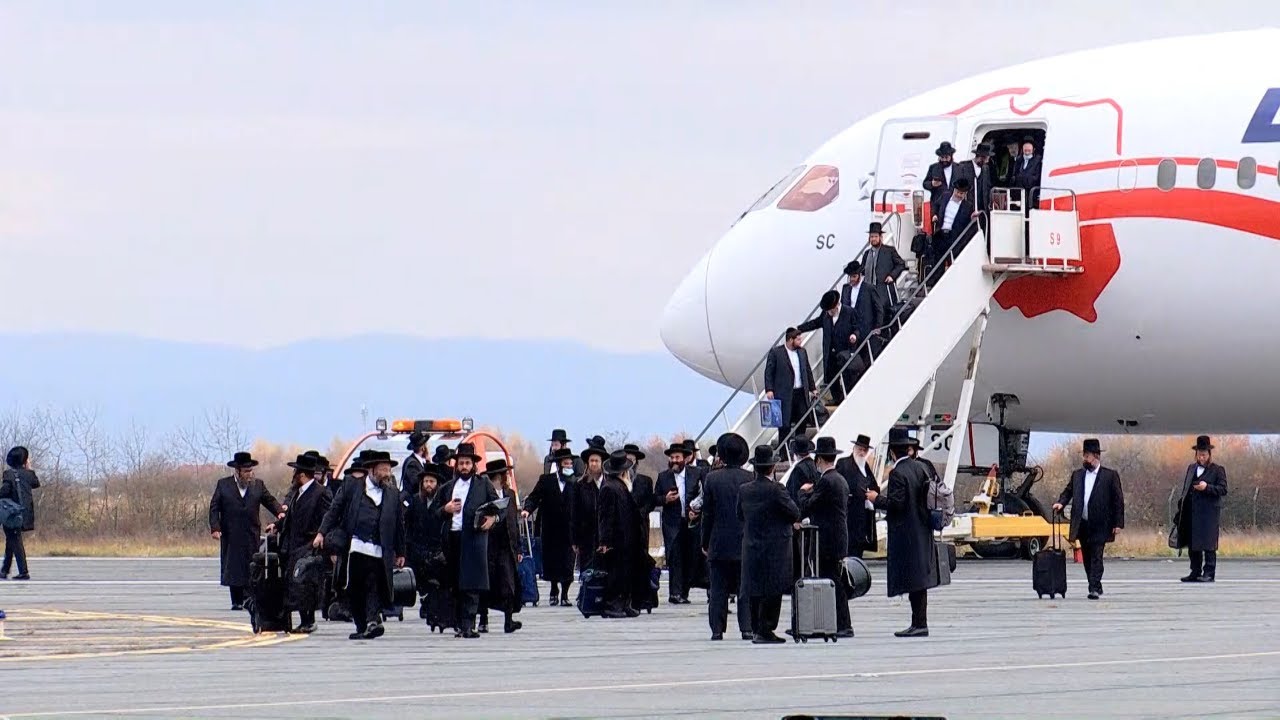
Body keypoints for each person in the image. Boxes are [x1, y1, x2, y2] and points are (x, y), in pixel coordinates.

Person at [315, 451, 406, 639]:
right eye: (383, 470)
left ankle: (373, 621)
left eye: (389, 470)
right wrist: (321, 533)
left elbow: (399, 525)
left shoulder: (393, 494)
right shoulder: (352, 486)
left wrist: (401, 552)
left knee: (373, 584)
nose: (387, 474)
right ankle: (361, 626)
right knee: (354, 588)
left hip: (379, 549)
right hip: (355, 547)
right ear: (371, 470)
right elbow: (334, 510)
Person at [867, 428, 937, 637]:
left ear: (892, 452)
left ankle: (919, 624)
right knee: (920, 580)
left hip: (906, 533)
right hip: (923, 529)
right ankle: (920, 622)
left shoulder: (898, 473)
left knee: (913, 579)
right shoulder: (922, 468)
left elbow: (897, 504)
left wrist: (876, 499)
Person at [428, 442, 498, 638]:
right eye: (461, 463)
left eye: (467, 463)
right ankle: (459, 624)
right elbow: (433, 513)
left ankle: (469, 624)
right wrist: (446, 509)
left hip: (474, 538)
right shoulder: (447, 487)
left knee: (472, 583)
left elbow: (498, 507)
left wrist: (493, 519)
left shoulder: (483, 485)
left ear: (473, 465)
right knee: (456, 583)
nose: (464, 467)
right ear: (456, 465)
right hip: (453, 538)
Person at [738, 446, 800, 644]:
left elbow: (739, 514)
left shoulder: (745, 490)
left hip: (752, 545)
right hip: (775, 547)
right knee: (773, 589)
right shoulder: (777, 489)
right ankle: (766, 629)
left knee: (754, 588)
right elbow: (794, 512)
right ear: (773, 467)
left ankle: (756, 628)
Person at [209, 452, 285, 611]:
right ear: (237, 471)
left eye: (251, 470)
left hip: (251, 532)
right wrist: (215, 528)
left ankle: (249, 598)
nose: (250, 474)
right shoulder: (224, 485)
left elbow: (269, 500)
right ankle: (236, 600)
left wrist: (279, 512)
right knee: (234, 566)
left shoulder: (258, 485)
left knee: (251, 565)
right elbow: (214, 507)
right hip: (231, 533)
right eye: (246, 471)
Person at [1052, 438, 1125, 600]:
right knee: (1087, 557)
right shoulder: (1077, 475)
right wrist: (1060, 503)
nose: (1084, 459)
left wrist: (1118, 523)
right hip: (1083, 523)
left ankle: (1093, 587)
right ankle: (1095, 584)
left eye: (1087, 456)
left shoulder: (1110, 476)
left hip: (1101, 524)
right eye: (1084, 456)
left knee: (1097, 555)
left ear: (1096, 456)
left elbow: (1118, 500)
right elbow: (1068, 492)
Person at [699, 433, 753, 641]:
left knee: (718, 589)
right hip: (744, 542)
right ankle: (746, 627)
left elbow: (707, 514)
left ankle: (717, 629)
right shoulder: (750, 478)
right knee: (744, 588)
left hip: (719, 542)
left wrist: (705, 541)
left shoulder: (712, 479)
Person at [798, 437, 852, 638]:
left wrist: (802, 493)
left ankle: (842, 624)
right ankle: (837, 623)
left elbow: (808, 506)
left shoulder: (826, 481)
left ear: (819, 459)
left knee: (832, 582)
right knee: (834, 580)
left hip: (827, 540)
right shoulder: (840, 479)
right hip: (838, 538)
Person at [275, 454, 332, 634]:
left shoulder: (320, 493)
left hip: (309, 545)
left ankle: (309, 620)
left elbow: (327, 518)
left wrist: (321, 536)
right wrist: (277, 526)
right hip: (293, 545)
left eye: (295, 472)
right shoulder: (297, 493)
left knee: (306, 583)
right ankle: (302, 619)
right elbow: (290, 518)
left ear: (301, 475)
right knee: (295, 584)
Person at [522, 447, 578, 606]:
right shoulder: (546, 481)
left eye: (570, 464)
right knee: (552, 561)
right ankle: (554, 590)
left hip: (569, 529)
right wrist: (527, 510)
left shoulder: (575, 483)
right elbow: (534, 497)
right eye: (566, 464)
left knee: (568, 562)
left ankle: (565, 594)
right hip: (551, 528)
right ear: (559, 465)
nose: (569, 466)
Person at [597, 450, 644, 618]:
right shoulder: (609, 488)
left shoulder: (621, 486)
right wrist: (605, 541)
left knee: (626, 573)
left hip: (627, 538)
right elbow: (605, 517)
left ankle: (625, 603)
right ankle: (612, 605)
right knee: (615, 574)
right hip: (616, 539)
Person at [1176, 436, 1229, 583]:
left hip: (1208, 514)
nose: (1201, 457)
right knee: (1193, 544)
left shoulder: (1217, 470)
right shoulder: (1191, 468)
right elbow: (1186, 489)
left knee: (1209, 544)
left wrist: (1207, 487)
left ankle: (1209, 573)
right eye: (1199, 454)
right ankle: (1195, 571)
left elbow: (1223, 489)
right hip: (1192, 513)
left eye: (1204, 455)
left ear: (1209, 454)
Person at [480, 459, 523, 634]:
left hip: (506, 545)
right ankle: (483, 619)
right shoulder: (483, 494)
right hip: (489, 544)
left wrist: (518, 547)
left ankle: (508, 620)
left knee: (508, 583)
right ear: (498, 476)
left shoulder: (510, 494)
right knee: (486, 583)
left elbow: (514, 522)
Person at [655, 442, 701, 604]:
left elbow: (702, 495)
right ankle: (674, 593)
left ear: (684, 459)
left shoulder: (696, 474)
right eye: (672, 457)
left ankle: (684, 592)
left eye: (677, 457)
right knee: (674, 557)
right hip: (672, 524)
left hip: (691, 522)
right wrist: (665, 499)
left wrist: (696, 511)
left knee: (689, 556)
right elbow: (655, 498)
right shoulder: (663, 477)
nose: (674, 460)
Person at [796, 290, 859, 405]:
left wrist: (854, 335)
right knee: (831, 376)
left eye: (830, 310)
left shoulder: (849, 312)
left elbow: (857, 327)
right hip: (830, 351)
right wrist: (799, 329)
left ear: (836, 306)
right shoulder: (825, 315)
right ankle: (837, 398)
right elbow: (815, 323)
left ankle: (848, 398)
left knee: (847, 376)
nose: (829, 313)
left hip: (844, 351)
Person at [763, 328, 819, 456]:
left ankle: (799, 450)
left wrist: (813, 388)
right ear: (790, 340)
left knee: (802, 420)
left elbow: (807, 371)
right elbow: (769, 372)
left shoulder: (802, 352)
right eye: (798, 339)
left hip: (800, 392)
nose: (801, 341)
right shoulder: (776, 352)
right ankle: (784, 453)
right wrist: (769, 389)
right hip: (784, 394)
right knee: (785, 425)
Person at [405, 463, 448, 616]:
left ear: (437, 484)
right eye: (426, 481)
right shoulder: (416, 501)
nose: (428, 485)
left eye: (432, 481)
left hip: (437, 548)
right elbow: (408, 524)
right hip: (418, 548)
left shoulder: (443, 502)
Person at [836, 434, 880, 558]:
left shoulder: (865, 466)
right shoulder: (843, 463)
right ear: (854, 448)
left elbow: (874, 486)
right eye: (860, 449)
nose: (862, 452)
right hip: (849, 516)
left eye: (864, 450)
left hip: (863, 518)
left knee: (858, 551)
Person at [859, 222, 908, 328]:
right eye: (871, 237)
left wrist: (892, 276)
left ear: (880, 237)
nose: (873, 239)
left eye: (875, 236)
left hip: (884, 290)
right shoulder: (867, 254)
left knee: (884, 316)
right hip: (869, 291)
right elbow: (863, 269)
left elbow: (901, 264)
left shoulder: (889, 251)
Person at [0, 446, 39, 580]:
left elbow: (5, 491)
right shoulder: (29, 475)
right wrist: (29, 468)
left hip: (12, 513)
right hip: (25, 513)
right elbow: (36, 484)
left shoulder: (9, 474)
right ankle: (4, 570)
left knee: (15, 540)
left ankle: (23, 571)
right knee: (11, 539)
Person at [573, 440, 608, 572]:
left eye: (596, 461)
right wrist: (574, 540)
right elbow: (574, 513)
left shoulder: (610, 484)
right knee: (587, 574)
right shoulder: (580, 485)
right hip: (586, 538)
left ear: (601, 463)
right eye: (591, 461)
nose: (593, 464)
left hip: (605, 537)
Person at [930, 177, 977, 276]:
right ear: (954, 190)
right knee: (937, 263)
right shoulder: (945, 196)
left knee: (954, 263)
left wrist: (972, 218)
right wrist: (934, 214)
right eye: (958, 192)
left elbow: (968, 225)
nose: (959, 195)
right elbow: (935, 205)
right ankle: (936, 281)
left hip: (954, 237)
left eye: (962, 193)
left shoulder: (968, 206)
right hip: (940, 234)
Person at [953, 142, 994, 212]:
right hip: (965, 207)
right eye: (986, 159)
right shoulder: (963, 166)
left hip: (981, 209)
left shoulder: (986, 169)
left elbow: (987, 187)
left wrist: (991, 201)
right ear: (981, 157)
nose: (987, 161)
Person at [786, 437, 820, 505]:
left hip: (802, 505)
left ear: (796, 453)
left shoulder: (798, 469)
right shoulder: (815, 465)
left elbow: (794, 493)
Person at [1011, 137, 1043, 202]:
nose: (1027, 152)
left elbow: (1036, 178)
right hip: (1019, 194)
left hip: (1031, 195)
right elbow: (1014, 176)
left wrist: (1021, 178)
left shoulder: (1038, 161)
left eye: (1029, 150)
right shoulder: (1019, 160)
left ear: (1033, 150)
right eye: (1025, 150)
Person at [401, 431, 430, 499]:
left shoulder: (417, 461)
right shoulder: (412, 464)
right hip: (413, 501)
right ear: (423, 447)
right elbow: (416, 484)